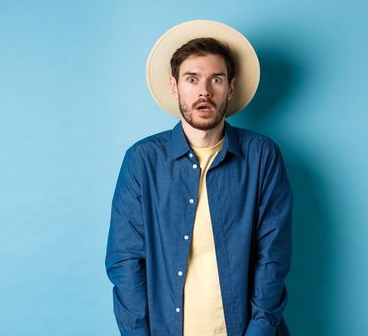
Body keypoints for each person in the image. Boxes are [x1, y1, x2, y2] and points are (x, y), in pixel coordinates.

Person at [105, 20, 293, 336]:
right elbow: (125, 260)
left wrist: (259, 330)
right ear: (175, 85)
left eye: (215, 79)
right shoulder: (143, 160)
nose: (204, 91)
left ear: (231, 87)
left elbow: (272, 256)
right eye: (192, 79)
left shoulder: (261, 156)